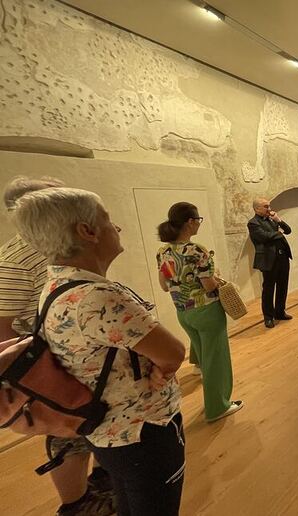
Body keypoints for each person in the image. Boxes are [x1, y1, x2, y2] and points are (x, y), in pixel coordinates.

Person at [14, 187, 187, 516]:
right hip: (142, 430)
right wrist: (160, 367)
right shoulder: (98, 296)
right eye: (108, 220)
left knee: (129, 502)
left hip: (104, 430)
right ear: (87, 231)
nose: (115, 227)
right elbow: (173, 352)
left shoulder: (57, 284)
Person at [1, 177, 116, 516]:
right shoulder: (15, 260)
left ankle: (102, 479)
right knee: (69, 428)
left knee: (94, 422)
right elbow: (4, 332)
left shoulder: (57, 247)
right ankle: (77, 502)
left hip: (84, 357)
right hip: (54, 365)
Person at [157, 203, 242, 421]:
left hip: (183, 312)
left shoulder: (163, 251)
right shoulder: (196, 251)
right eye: (198, 220)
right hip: (206, 311)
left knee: (205, 356)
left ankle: (207, 386)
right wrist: (217, 277)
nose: (198, 224)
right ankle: (218, 407)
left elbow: (164, 286)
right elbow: (208, 285)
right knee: (216, 360)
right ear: (190, 222)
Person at [248, 197, 293, 329]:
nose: (269, 209)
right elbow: (263, 237)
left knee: (282, 286)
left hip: (283, 257)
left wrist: (279, 221)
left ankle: (280, 312)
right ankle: (268, 316)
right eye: (266, 206)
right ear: (257, 209)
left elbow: (288, 230)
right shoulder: (253, 223)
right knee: (268, 289)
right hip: (268, 260)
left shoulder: (272, 219)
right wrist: (278, 233)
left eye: (269, 206)